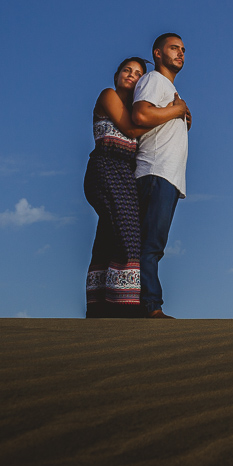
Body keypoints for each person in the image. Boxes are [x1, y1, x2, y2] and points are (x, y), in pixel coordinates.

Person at [83, 57, 153, 318]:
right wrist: (173, 111)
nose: (131, 75)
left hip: (126, 176)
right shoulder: (108, 95)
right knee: (128, 235)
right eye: (127, 70)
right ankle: (123, 309)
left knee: (109, 238)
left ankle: (99, 308)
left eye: (137, 74)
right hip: (105, 169)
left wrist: (181, 116)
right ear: (116, 75)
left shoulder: (136, 111)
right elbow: (129, 130)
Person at [131, 33, 191, 319]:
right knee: (150, 245)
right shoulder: (154, 80)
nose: (180, 53)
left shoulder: (168, 89)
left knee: (153, 244)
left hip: (166, 176)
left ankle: (145, 304)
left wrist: (180, 115)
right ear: (157, 53)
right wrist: (178, 109)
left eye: (182, 50)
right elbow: (141, 115)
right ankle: (150, 306)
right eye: (173, 48)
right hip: (155, 172)